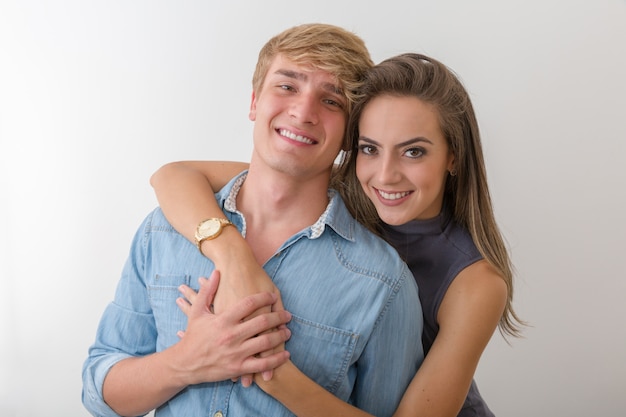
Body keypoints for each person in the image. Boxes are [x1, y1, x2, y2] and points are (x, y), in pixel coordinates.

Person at [150, 53, 525, 416]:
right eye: (369, 148)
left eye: (413, 152)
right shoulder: (350, 186)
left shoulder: (476, 282)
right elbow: (173, 175)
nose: (386, 175)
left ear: (454, 155)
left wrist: (264, 365)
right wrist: (234, 260)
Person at [82, 23, 424, 417]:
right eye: (287, 86)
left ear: (350, 133)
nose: (303, 111)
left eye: (332, 101)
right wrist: (185, 362)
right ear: (254, 101)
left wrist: (272, 371)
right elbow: (98, 390)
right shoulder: (162, 230)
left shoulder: (384, 283)